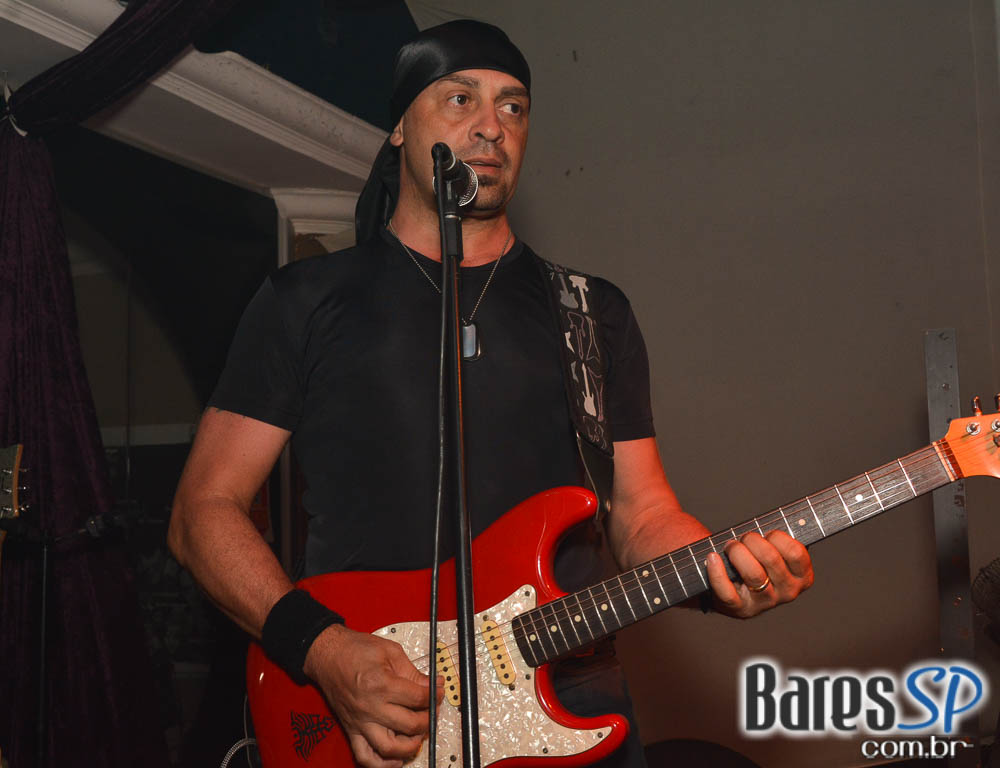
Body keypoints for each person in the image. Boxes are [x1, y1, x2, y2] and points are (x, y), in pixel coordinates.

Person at [167, 19, 814, 768]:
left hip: (572, 697)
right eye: (460, 98)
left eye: (513, 106)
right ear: (399, 127)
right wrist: (323, 649)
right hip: (377, 703)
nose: (491, 125)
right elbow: (202, 513)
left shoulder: (590, 312)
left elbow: (643, 514)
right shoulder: (304, 301)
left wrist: (719, 575)